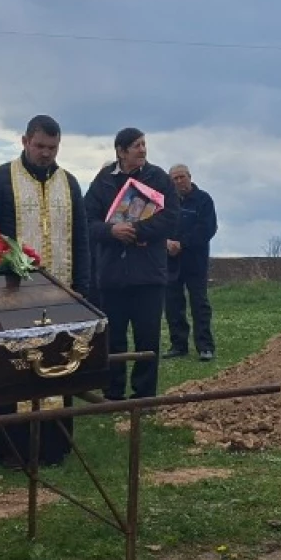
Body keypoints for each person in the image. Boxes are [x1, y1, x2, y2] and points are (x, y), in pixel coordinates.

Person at [0, 115, 89, 467]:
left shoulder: (70, 183)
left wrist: (85, 287)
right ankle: (11, 445)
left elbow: (81, 239)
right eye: (39, 146)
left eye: (52, 148)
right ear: (24, 141)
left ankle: (54, 442)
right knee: (14, 368)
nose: (46, 154)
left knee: (60, 362)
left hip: (62, 292)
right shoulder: (2, 178)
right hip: (11, 295)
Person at [84, 129, 181, 401]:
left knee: (147, 337)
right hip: (112, 275)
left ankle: (144, 395)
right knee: (112, 338)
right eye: (136, 146)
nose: (142, 150)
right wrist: (111, 231)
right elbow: (86, 220)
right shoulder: (103, 181)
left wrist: (137, 230)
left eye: (144, 144)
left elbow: (171, 218)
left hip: (149, 274)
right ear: (121, 151)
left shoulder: (159, 178)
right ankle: (113, 393)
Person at [164, 164, 218, 361]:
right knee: (172, 304)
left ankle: (205, 346)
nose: (179, 181)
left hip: (195, 261)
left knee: (199, 304)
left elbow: (207, 229)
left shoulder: (203, 200)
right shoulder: (166, 202)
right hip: (170, 262)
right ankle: (178, 345)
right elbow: (159, 226)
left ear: (189, 177)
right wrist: (166, 243)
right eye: (175, 179)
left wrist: (183, 244)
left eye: (182, 177)